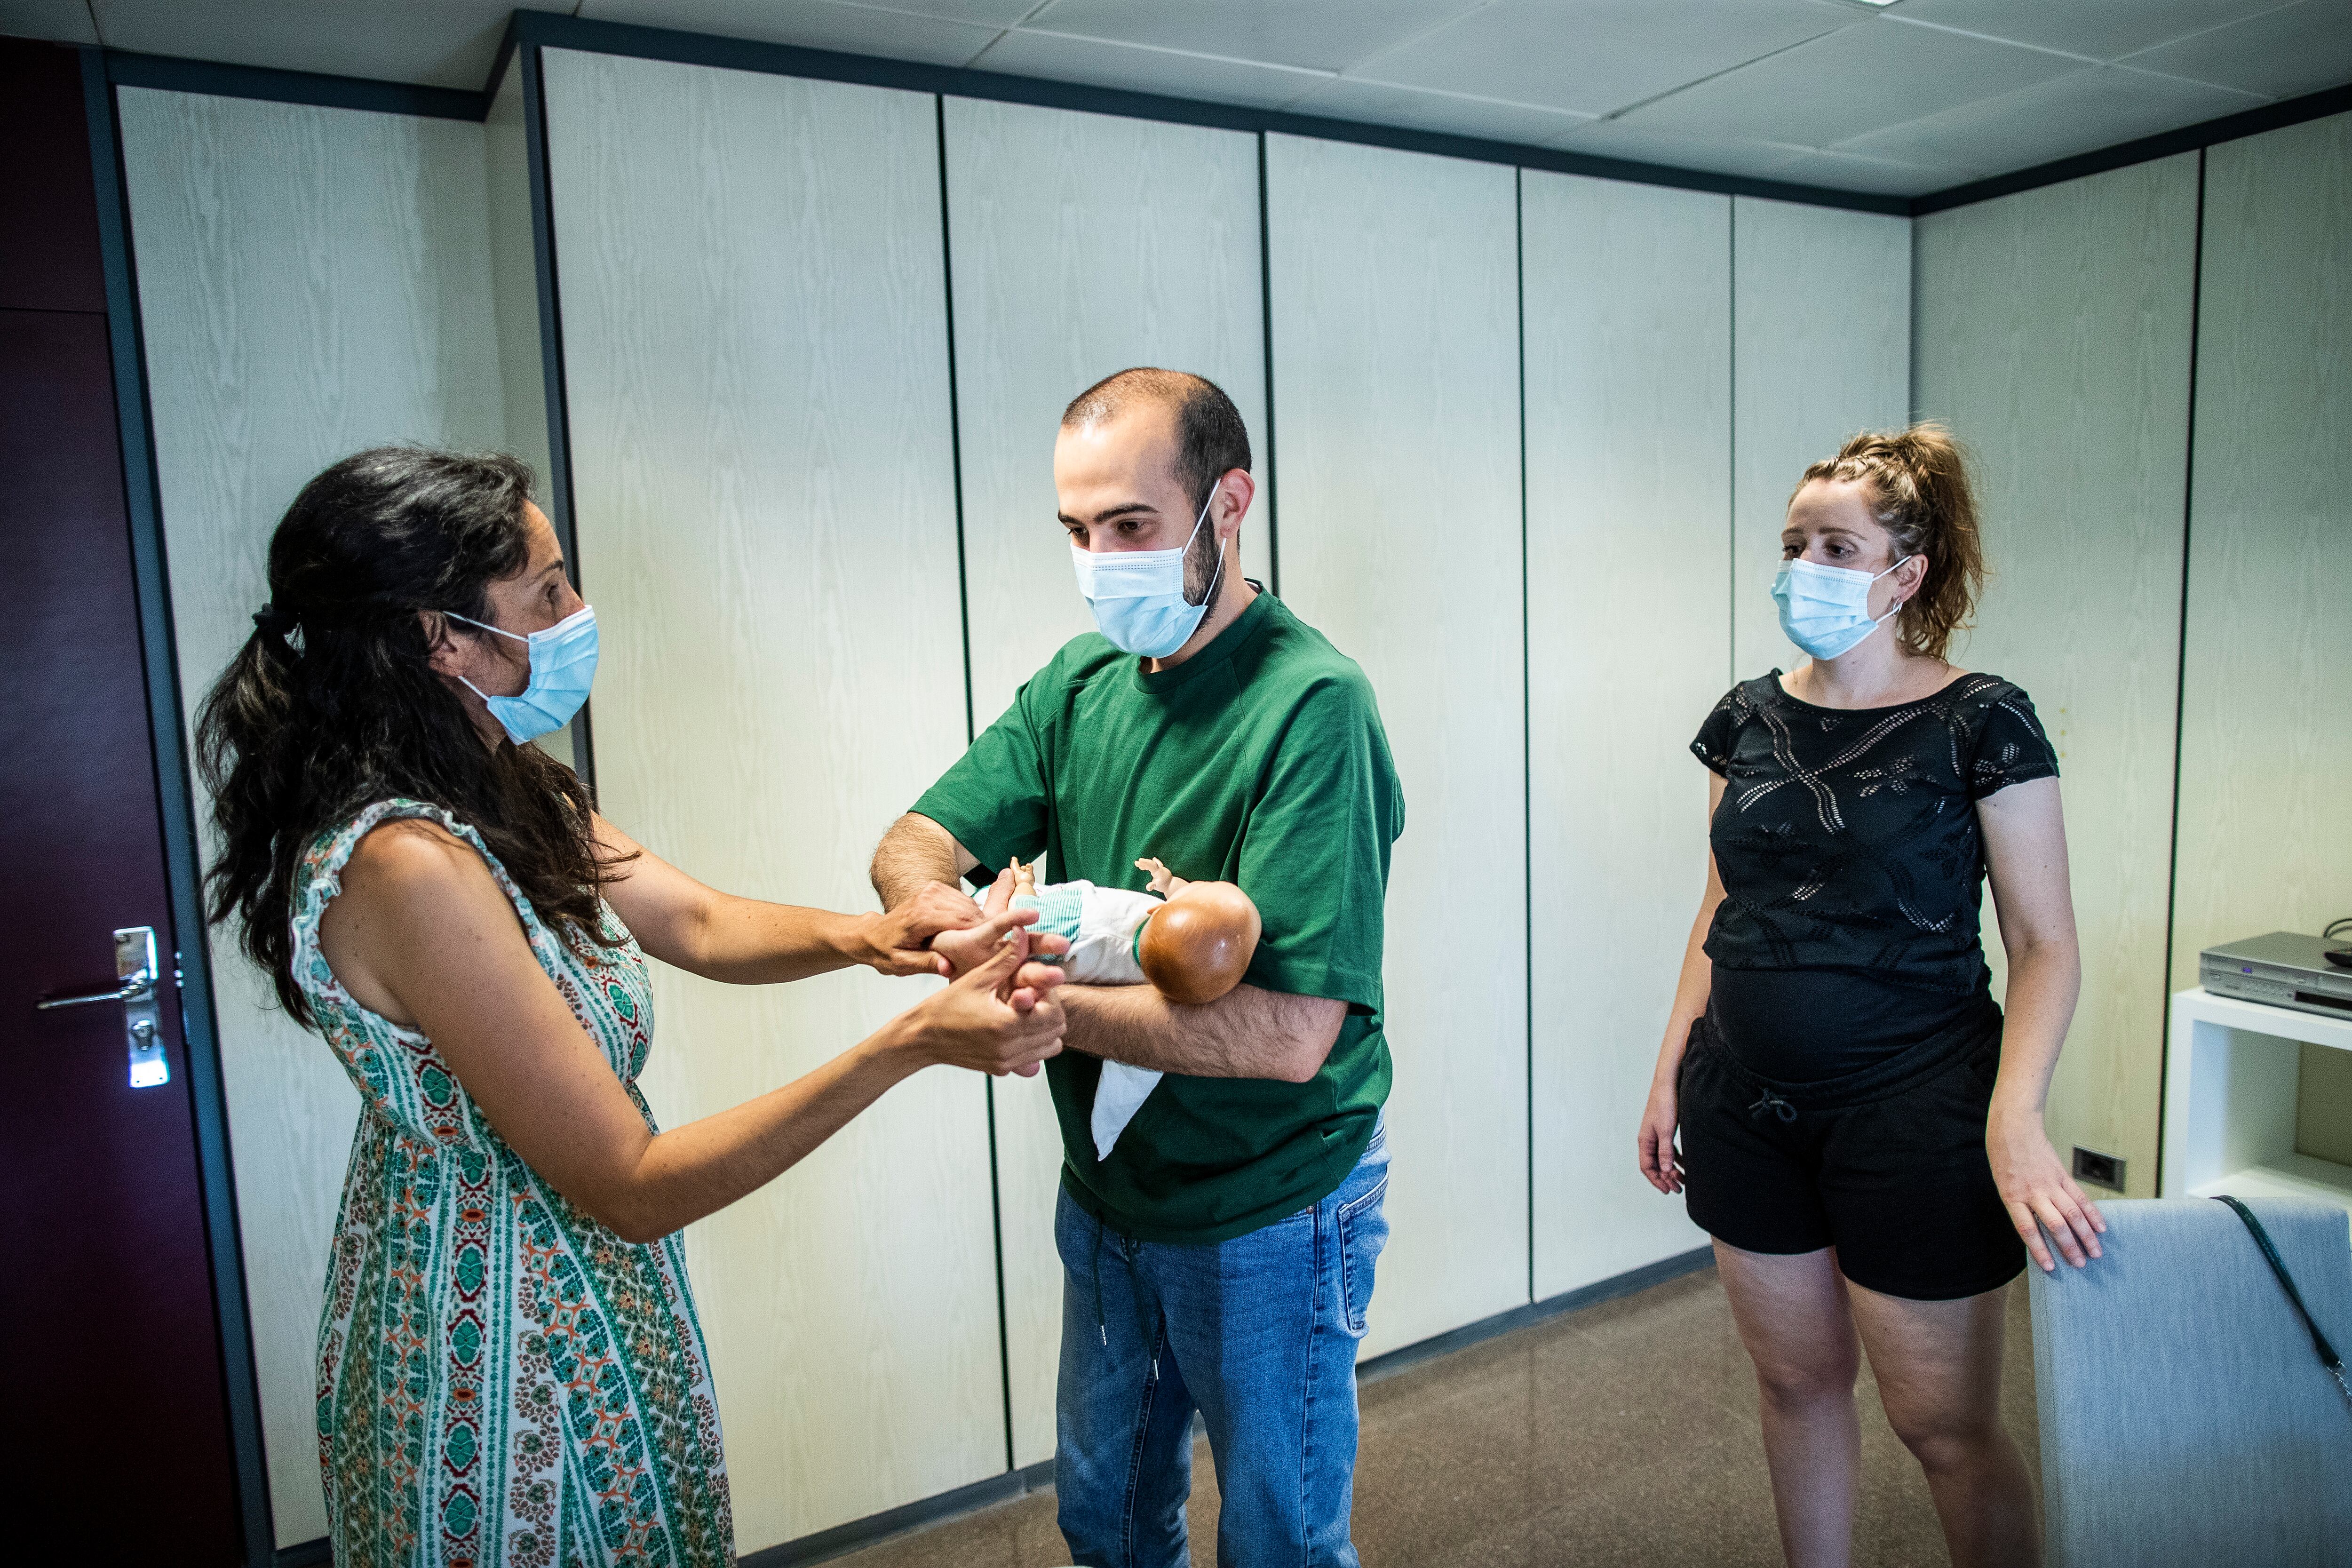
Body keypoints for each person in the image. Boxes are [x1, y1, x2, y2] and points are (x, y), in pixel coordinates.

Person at [197, 447, 1066, 1568]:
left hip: (594, 1299)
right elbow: (633, 1183)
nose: (577, 613)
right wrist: (911, 1045)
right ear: (440, 638)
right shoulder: (407, 865)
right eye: (547, 592)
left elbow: (694, 921)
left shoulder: (502, 779)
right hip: (497, 1342)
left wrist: (879, 937)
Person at [870, 369, 1405, 1568]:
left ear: (1229, 505)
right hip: (1112, 1196)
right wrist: (952, 920)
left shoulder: (1311, 706)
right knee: (1103, 1518)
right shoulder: (1080, 685)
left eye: (1130, 527)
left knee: (1278, 1540)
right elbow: (913, 844)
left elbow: (1286, 1037)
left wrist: (1036, 991)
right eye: (1075, 530)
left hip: (1273, 1201)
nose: (1099, 560)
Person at [1636, 425, 2104, 1568]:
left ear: (1908, 573)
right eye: (1795, 541)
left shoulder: (1979, 719)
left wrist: (2017, 1114)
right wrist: (1667, 1073)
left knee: (1942, 1426)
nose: (1804, 565)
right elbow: (1719, 906)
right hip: (1743, 1103)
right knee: (1796, 1385)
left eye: (1836, 545)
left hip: (1915, 1106)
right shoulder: (1744, 716)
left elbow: (2045, 942)